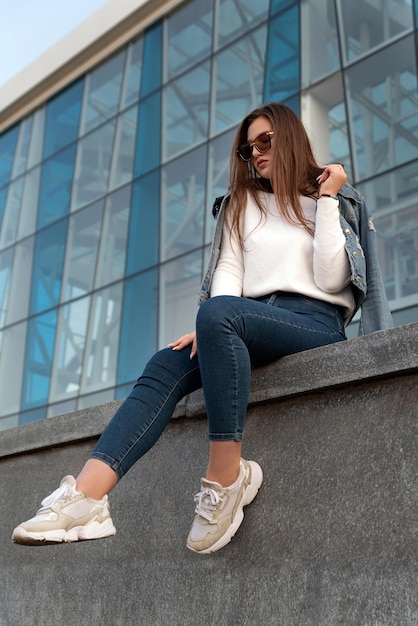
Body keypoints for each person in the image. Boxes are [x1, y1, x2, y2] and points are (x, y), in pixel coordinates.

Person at [12, 102, 393, 554]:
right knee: (164, 362)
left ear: (290, 138)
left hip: (314, 322)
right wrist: (214, 324)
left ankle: (225, 479)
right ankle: (87, 498)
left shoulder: (336, 198)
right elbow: (228, 274)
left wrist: (327, 198)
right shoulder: (241, 203)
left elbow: (333, 278)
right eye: (247, 149)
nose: (256, 153)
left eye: (265, 141)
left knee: (217, 316)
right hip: (249, 319)